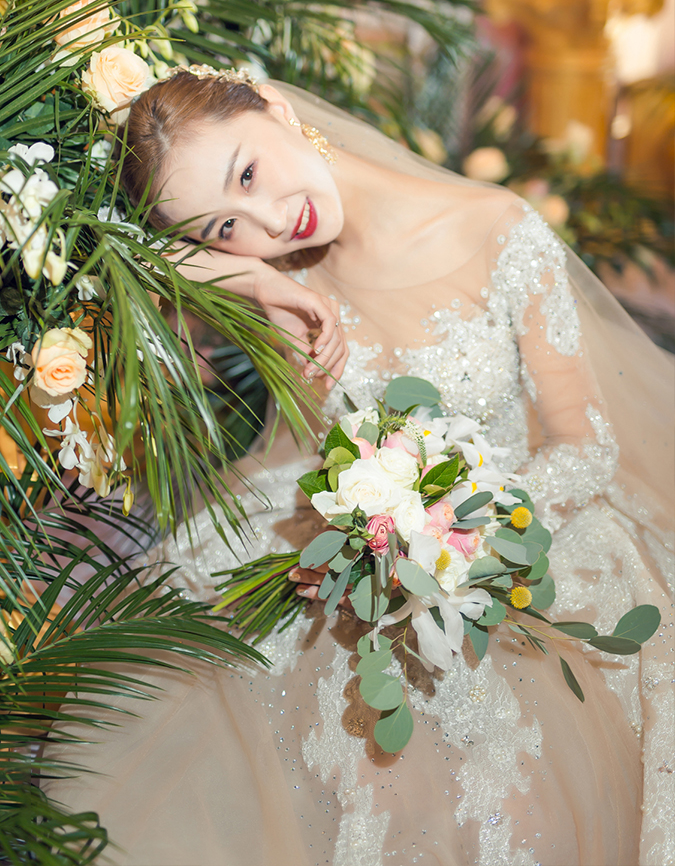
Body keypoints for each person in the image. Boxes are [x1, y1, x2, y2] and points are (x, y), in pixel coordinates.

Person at [47, 67, 674, 866]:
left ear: (277, 108)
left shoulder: (493, 226)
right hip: (343, 542)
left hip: (517, 532)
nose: (271, 220)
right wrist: (244, 274)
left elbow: (584, 445)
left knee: (500, 786)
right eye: (225, 227)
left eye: (248, 173)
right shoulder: (276, 272)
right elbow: (108, 266)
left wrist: (451, 537)